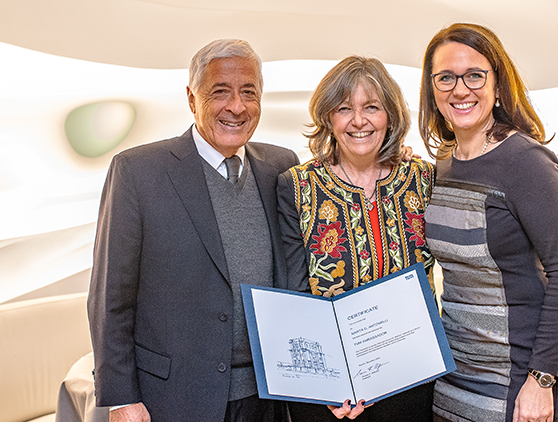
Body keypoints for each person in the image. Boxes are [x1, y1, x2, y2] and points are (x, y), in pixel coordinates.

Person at [87, 39, 299, 422]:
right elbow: (110, 297)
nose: (236, 107)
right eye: (220, 92)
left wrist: (390, 155)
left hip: (269, 397)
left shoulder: (281, 167)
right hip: (173, 398)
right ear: (191, 98)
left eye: (248, 93)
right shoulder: (138, 172)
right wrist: (121, 399)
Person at [418, 23, 558, 422]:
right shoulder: (441, 165)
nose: (460, 89)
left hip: (519, 370)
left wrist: (541, 380)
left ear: (497, 82)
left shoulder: (526, 162)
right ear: (432, 89)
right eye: (446, 78)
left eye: (474, 75)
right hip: (455, 364)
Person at [277, 56, 436, 421]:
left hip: (411, 380)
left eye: (371, 108)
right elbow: (296, 292)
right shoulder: (296, 186)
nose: (358, 121)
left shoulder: (424, 179)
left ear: (390, 115)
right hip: (330, 395)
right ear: (327, 118)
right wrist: (328, 386)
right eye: (344, 108)